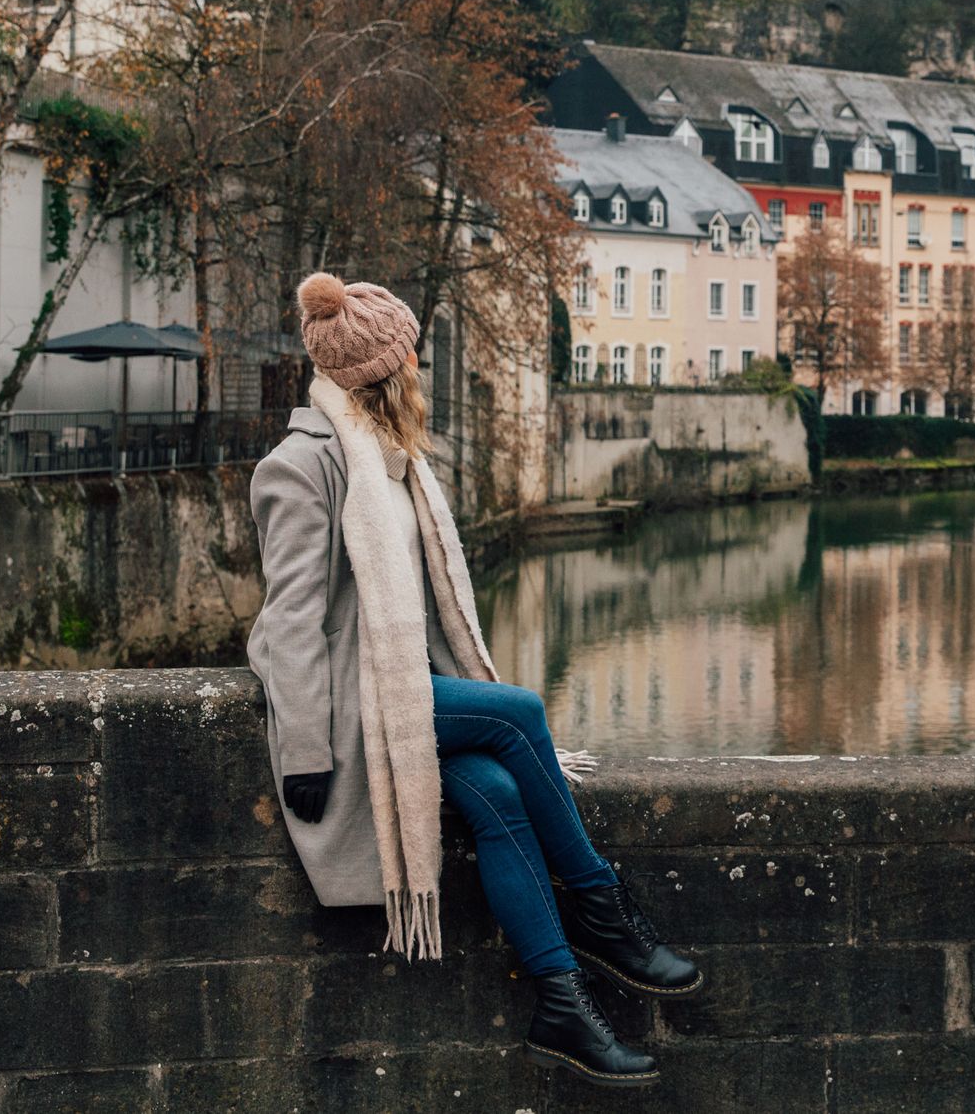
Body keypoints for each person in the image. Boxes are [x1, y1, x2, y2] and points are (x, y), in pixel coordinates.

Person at [248, 272, 701, 1088]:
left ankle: (561, 1001)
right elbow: (290, 621)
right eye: (408, 358)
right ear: (380, 373)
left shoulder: (389, 462)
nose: (418, 368)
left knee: (496, 789)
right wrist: (307, 748)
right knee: (518, 712)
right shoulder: (300, 465)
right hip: (358, 708)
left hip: (405, 690)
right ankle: (602, 907)